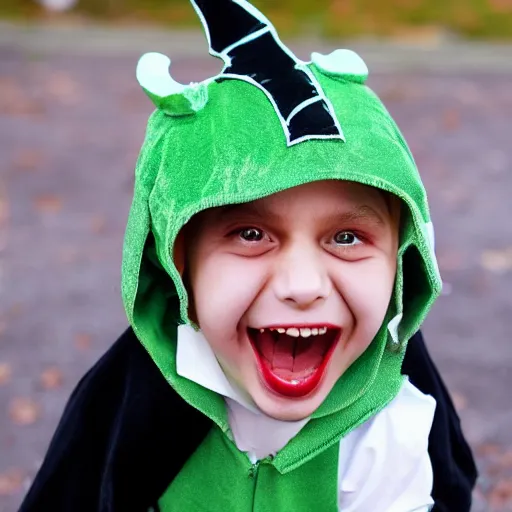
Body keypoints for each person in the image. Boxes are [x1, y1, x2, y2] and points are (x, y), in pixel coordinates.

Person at [19, 0, 477, 510]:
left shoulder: (389, 434)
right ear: (177, 263)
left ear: (402, 262)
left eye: (347, 238)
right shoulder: (129, 407)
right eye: (250, 234)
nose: (302, 286)